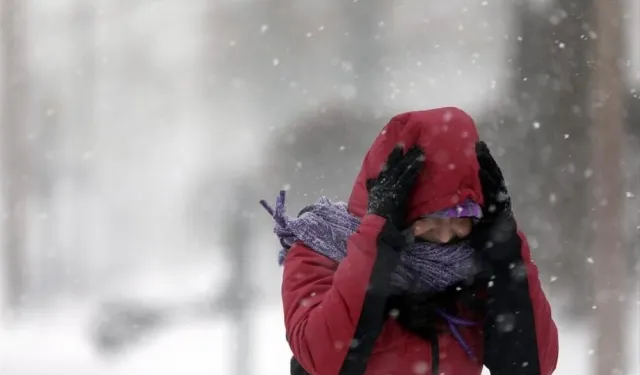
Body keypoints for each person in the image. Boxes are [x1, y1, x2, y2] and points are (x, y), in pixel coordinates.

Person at [261, 107, 559, 375]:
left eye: (460, 218)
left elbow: (531, 367)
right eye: (428, 218)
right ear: (398, 209)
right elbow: (325, 360)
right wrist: (376, 244)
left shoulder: (473, 268)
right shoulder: (321, 248)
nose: (445, 236)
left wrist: (507, 256)